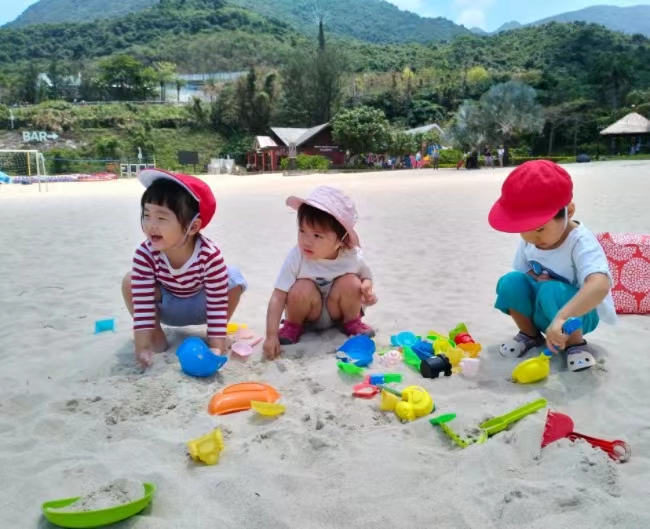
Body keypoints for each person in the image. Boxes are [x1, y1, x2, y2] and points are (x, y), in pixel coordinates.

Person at [489, 160, 615, 372]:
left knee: (552, 289)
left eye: (539, 229)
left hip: (578, 316)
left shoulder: (580, 242)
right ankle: (530, 335)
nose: (532, 238)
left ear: (569, 211)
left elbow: (600, 284)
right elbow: (524, 269)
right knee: (510, 281)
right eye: (524, 229)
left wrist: (563, 316)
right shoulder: (531, 240)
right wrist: (535, 278)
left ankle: (575, 345)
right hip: (542, 312)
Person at [122, 169, 247, 368]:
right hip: (167, 307)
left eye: (161, 218)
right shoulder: (145, 254)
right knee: (130, 281)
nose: (150, 225)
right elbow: (143, 305)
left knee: (233, 278)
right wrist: (142, 347)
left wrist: (216, 348)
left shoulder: (209, 255)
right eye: (146, 215)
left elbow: (216, 304)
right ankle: (156, 337)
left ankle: (215, 336)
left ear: (193, 227)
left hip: (202, 307)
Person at [263, 186, 377, 359]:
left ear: (341, 240)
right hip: (307, 315)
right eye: (302, 231)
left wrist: (366, 288)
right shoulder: (297, 257)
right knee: (302, 287)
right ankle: (292, 326)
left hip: (337, 313)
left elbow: (366, 277)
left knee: (351, 282)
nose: (306, 242)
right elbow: (278, 296)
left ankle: (352, 322)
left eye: (317, 236)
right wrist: (271, 335)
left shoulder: (351, 256)